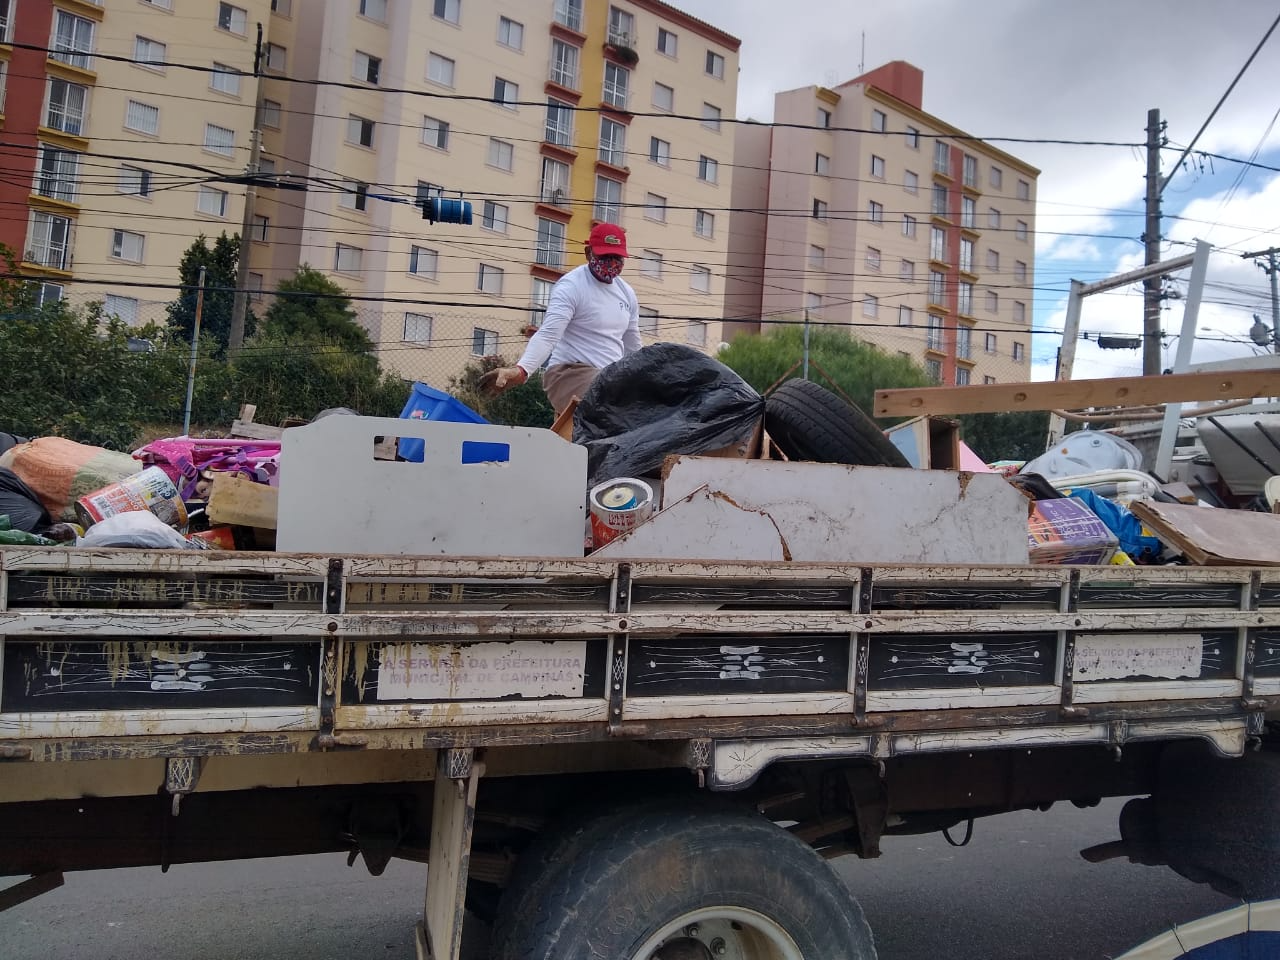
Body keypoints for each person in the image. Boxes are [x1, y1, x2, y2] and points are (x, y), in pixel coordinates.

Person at [480, 222, 642, 417]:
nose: (611, 263)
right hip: (569, 372)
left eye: (617, 258)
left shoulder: (627, 293)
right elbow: (548, 335)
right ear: (588, 252)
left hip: (609, 376)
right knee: (608, 391)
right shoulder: (571, 287)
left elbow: (633, 347)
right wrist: (522, 371)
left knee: (636, 401)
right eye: (605, 256)